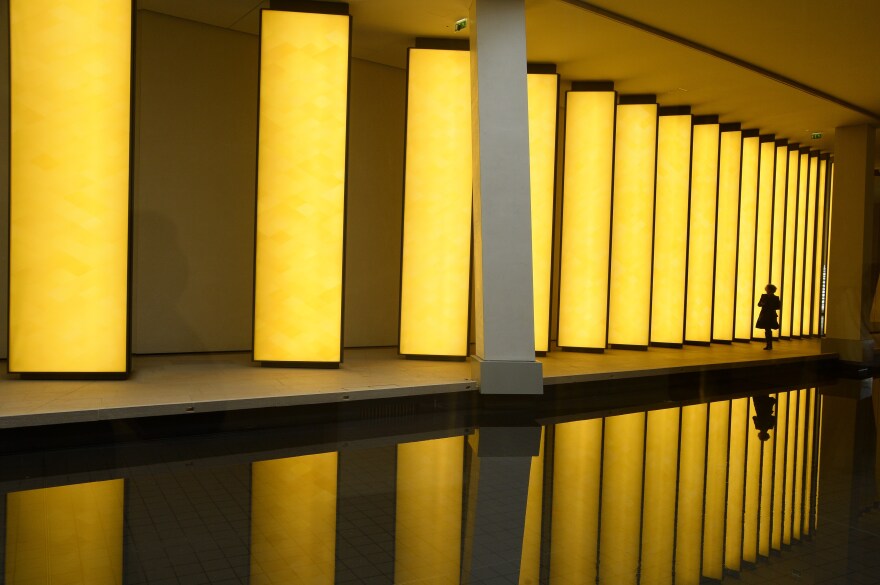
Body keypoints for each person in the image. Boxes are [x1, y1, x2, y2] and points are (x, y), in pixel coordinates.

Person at [756, 284, 781, 350]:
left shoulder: (775, 298)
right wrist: (762, 304)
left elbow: (778, 307)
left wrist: (767, 305)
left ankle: (769, 345)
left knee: (767, 329)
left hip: (769, 314)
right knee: (767, 329)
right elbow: (759, 304)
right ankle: (769, 345)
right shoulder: (765, 296)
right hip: (767, 314)